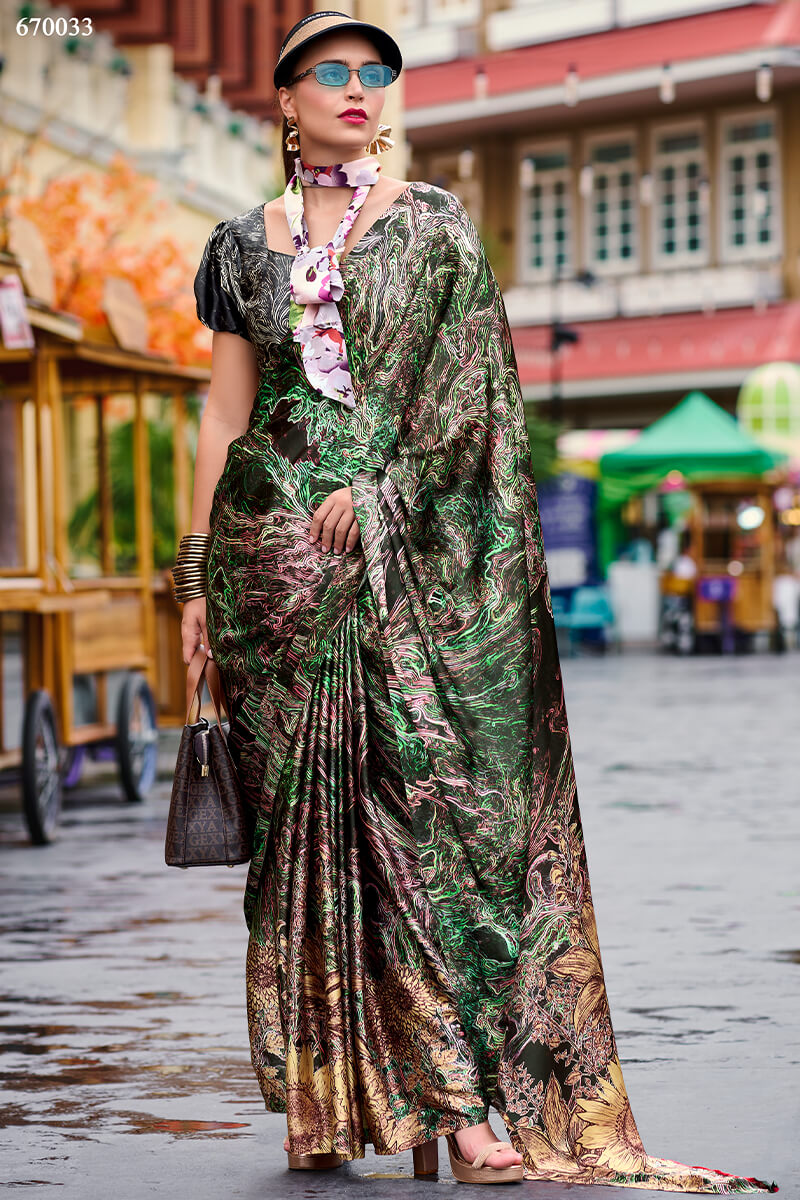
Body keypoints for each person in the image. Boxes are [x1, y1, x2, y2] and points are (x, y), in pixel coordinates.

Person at [176, 10, 777, 1192]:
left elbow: (478, 405)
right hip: (270, 580)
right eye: (332, 72)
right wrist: (196, 581)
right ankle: (327, 1095)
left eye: (376, 72)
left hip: (407, 575)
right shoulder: (240, 248)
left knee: (422, 827)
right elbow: (221, 414)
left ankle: (458, 1106)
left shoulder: (437, 230)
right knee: (301, 841)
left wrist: (386, 489)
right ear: (285, 101)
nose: (360, 88)